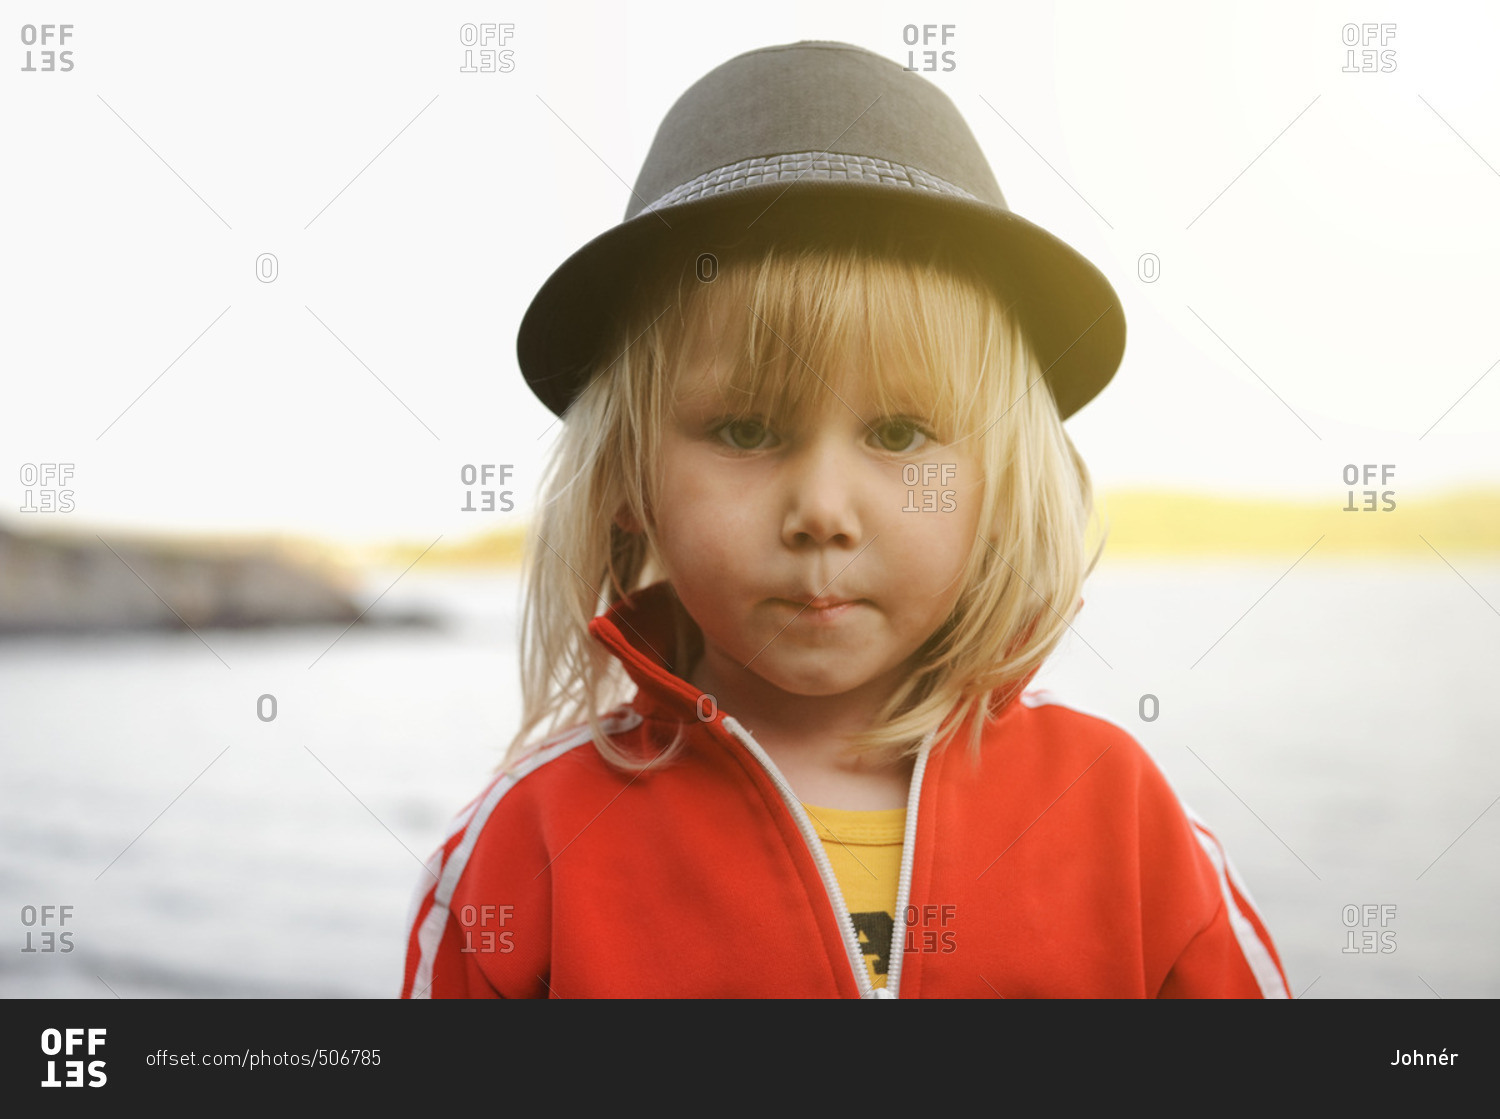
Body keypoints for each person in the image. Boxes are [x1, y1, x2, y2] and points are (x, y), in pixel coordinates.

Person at [401, 39, 1290, 998]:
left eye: (902, 433)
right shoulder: (525, 851)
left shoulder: (1122, 816)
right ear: (628, 475)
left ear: (1000, 481)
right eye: (744, 428)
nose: (822, 511)